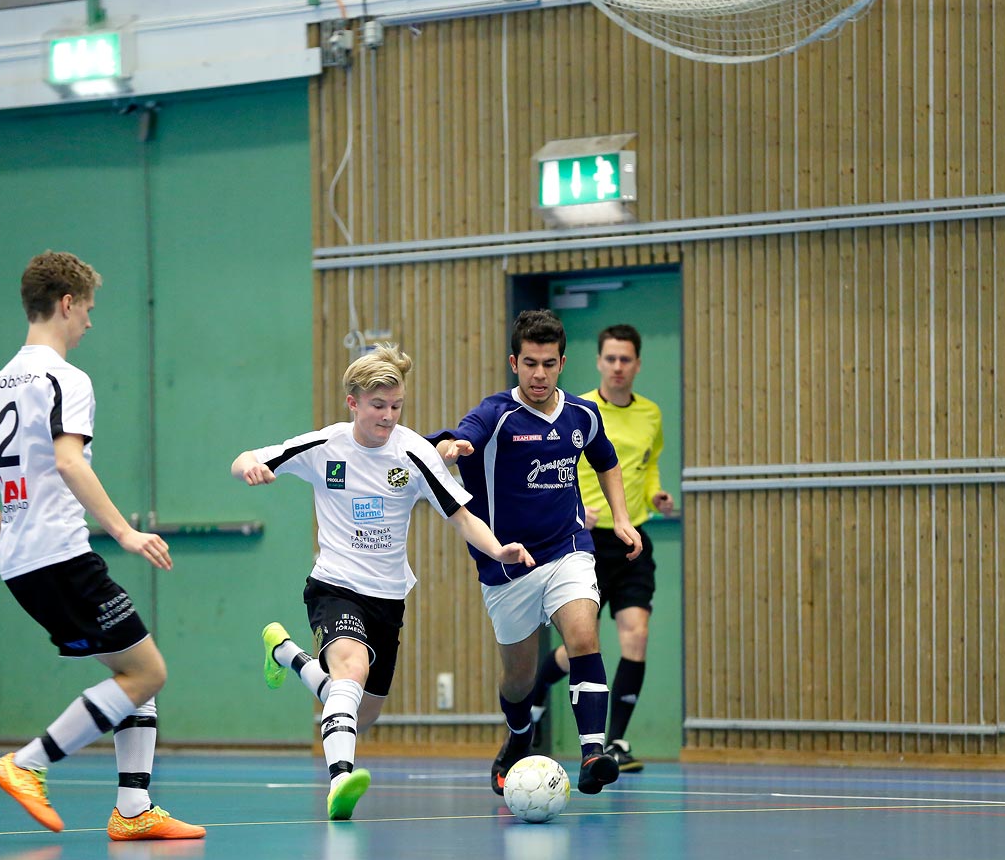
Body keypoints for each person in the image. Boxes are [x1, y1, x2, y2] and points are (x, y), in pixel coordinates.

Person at [0, 250, 204, 841]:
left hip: (22, 560)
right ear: (66, 304)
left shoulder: (0, 381)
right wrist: (124, 530)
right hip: (61, 554)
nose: (89, 322)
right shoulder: (65, 378)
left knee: (130, 666)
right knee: (147, 673)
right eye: (87, 309)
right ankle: (27, 763)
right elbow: (69, 461)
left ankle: (135, 809)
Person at [231, 343, 534, 820]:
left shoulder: (414, 453)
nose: (388, 416)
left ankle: (285, 653)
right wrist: (249, 466)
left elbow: (460, 515)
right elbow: (247, 456)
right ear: (353, 402)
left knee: (360, 711)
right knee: (349, 671)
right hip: (334, 584)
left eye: (397, 406)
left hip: (388, 597)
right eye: (378, 406)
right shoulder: (324, 446)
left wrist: (498, 548)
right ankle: (340, 782)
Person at [430, 309, 643, 797]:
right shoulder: (496, 413)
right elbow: (463, 434)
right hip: (506, 565)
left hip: (568, 549)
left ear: (563, 363)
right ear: (514, 362)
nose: (539, 374)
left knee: (584, 635)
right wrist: (454, 446)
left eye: (549, 364)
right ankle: (518, 737)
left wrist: (623, 518)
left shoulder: (581, 415)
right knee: (518, 678)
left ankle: (594, 753)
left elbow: (605, 459)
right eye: (530, 364)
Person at [526, 324, 674, 773]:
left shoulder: (651, 414)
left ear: (637, 364)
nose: (617, 367)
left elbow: (646, 469)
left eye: (625, 359)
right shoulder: (581, 411)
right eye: (610, 358)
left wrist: (655, 497)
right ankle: (531, 699)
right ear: (598, 362)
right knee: (579, 648)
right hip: (586, 542)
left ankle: (617, 742)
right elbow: (560, 468)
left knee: (637, 635)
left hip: (633, 539)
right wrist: (576, 508)